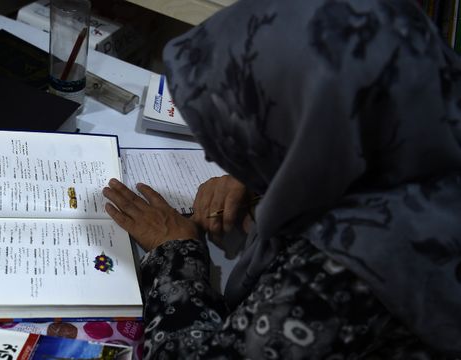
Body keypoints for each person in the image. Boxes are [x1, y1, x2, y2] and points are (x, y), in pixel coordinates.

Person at [102, 0, 461, 358]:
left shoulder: (351, 267)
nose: (212, 157)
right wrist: (275, 176)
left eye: (234, 135)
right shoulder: (430, 127)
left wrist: (175, 254)